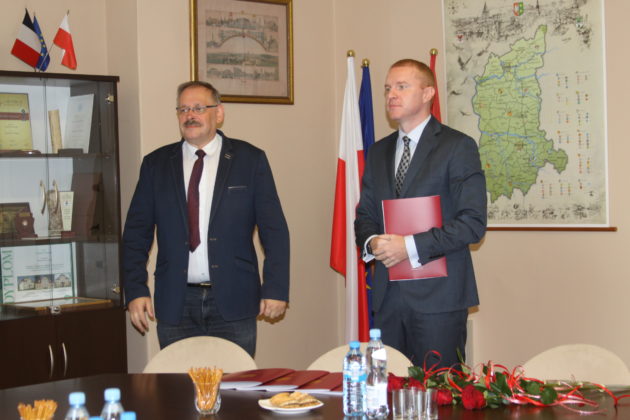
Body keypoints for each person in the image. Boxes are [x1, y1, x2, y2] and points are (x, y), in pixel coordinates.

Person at [122, 81, 290, 356]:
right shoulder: (156, 164)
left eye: (199, 108)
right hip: (176, 302)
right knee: (178, 382)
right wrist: (136, 290)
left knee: (236, 382)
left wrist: (276, 288)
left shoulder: (250, 160)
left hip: (234, 300)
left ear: (219, 113)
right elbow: (135, 234)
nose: (190, 115)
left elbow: (275, 231)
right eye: (183, 109)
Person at [354, 59, 486, 368]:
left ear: (428, 93)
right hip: (388, 299)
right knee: (387, 389)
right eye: (388, 88)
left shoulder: (457, 147)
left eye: (402, 87)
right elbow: (365, 214)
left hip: (439, 300)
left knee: (440, 391)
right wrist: (373, 242)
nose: (391, 95)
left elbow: (472, 223)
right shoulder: (378, 152)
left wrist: (408, 246)